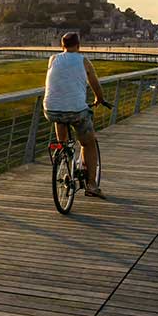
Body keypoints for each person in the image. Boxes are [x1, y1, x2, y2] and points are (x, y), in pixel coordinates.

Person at [43, 32, 107, 197]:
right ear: (79, 45)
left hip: (51, 109)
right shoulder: (83, 61)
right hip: (77, 110)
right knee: (88, 143)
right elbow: (95, 84)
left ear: (61, 46)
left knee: (61, 124)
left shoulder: (53, 59)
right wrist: (99, 99)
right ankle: (91, 185)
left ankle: (63, 155)